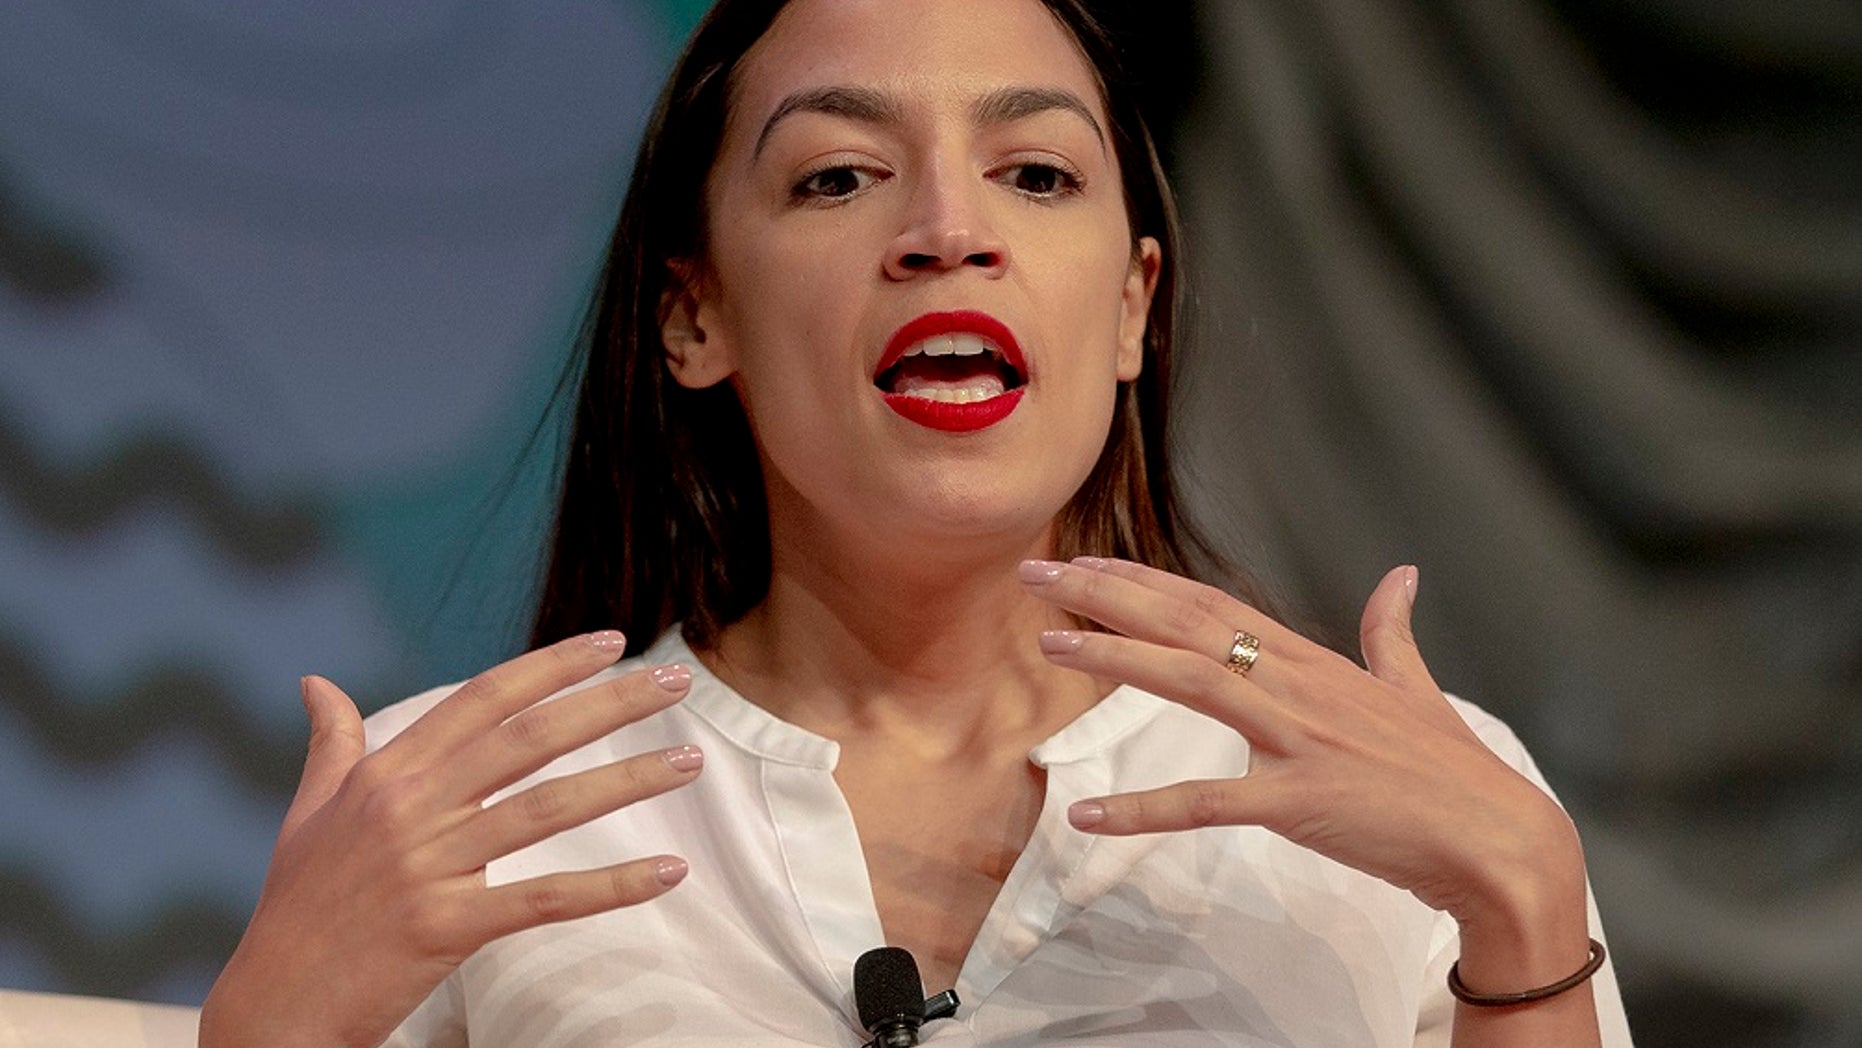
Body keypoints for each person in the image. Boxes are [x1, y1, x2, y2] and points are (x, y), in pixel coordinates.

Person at [197, 0, 1635, 1045]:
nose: (948, 226)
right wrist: (264, 1037)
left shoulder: (1424, 805)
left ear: (1132, 305)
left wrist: (1522, 918)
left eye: (1036, 174)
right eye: (835, 175)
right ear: (694, 314)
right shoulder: (453, 809)